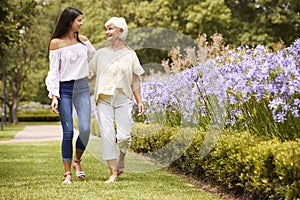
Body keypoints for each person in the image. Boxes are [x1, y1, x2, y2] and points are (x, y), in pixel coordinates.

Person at [89, 17, 145, 183]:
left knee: (124, 137)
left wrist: (139, 101)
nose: (107, 32)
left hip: (123, 99)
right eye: (106, 29)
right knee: (107, 135)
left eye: (111, 28)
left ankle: (122, 157)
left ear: (121, 31)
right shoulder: (100, 54)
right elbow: (88, 75)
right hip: (103, 99)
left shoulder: (130, 55)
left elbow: (135, 80)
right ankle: (113, 173)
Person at [45, 7, 96, 184]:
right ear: (69, 22)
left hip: (82, 87)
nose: (81, 23)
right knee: (68, 132)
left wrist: (91, 75)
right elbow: (54, 72)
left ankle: (77, 161)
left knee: (85, 129)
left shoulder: (84, 42)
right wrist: (54, 96)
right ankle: (68, 173)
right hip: (64, 89)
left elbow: (94, 59)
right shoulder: (56, 43)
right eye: (79, 20)